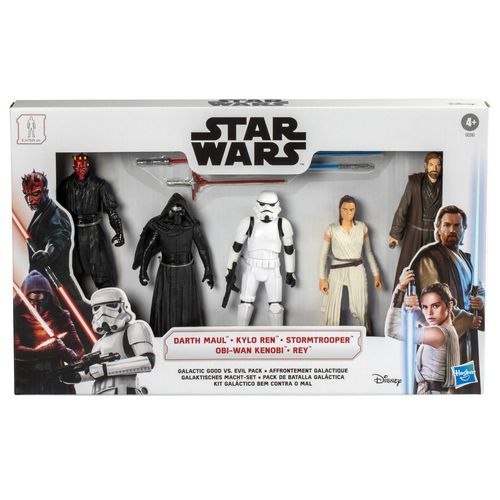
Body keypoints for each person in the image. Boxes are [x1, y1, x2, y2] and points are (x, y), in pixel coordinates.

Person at [410, 205, 484, 393]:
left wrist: (481, 301)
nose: (452, 230)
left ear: (464, 229)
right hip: (440, 342)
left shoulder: (466, 259)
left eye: (457, 225)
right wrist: (468, 319)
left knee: (463, 389)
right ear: (438, 227)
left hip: (465, 341)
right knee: (441, 391)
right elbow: (433, 301)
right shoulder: (429, 257)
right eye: (447, 225)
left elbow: (480, 289)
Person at [133, 193, 214, 337]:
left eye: (180, 210)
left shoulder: (192, 226)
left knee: (186, 305)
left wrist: (208, 269)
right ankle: (164, 338)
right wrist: (143, 270)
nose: (177, 213)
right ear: (168, 210)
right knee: (166, 306)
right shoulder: (160, 227)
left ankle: (187, 340)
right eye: (174, 209)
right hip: (166, 272)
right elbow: (148, 249)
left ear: (185, 211)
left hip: (186, 271)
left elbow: (202, 248)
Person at [385, 269, 471, 394]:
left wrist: (400, 289)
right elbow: (426, 319)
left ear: (450, 305)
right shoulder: (450, 329)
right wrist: (409, 306)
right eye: (425, 307)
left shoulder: (436, 334)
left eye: (435, 306)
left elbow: (392, 330)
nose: (429, 312)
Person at [60, 288, 155, 395]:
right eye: (97, 308)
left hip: (124, 391)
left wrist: (105, 369)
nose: (103, 312)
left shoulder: (134, 328)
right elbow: (94, 372)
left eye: (111, 305)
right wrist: (78, 377)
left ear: (124, 306)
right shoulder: (99, 343)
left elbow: (148, 361)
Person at [224, 191, 296, 326]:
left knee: (275, 306)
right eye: (263, 204)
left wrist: (290, 272)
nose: (266, 208)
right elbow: (236, 248)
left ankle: (278, 336)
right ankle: (240, 335)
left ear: (277, 205)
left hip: (273, 268)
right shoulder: (248, 222)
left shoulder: (282, 224)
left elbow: (289, 250)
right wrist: (229, 270)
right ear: (258, 204)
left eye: (270, 205)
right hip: (252, 268)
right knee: (245, 304)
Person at [57, 154, 124, 290]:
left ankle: (107, 298)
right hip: (73, 232)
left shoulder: (99, 185)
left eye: (84, 165)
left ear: (88, 166)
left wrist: (119, 232)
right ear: (74, 167)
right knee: (71, 271)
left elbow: (112, 212)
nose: (81, 169)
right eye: (78, 166)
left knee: (101, 269)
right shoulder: (65, 185)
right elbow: (57, 212)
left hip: (93, 231)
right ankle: (75, 301)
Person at [14, 270, 84, 394]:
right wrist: (48, 350)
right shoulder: (16, 318)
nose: (36, 308)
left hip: (57, 381)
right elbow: (15, 350)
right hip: (27, 382)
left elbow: (78, 351)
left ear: (48, 299)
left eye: (40, 302)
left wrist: (66, 351)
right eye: (31, 302)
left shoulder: (61, 317)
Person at [319, 195, 382, 331]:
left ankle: (366, 337)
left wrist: (376, 275)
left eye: (351, 209)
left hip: (356, 268)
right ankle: (331, 338)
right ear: (340, 209)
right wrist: (322, 278)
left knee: (361, 308)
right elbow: (323, 255)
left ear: (355, 211)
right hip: (337, 268)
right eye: (345, 209)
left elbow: (369, 252)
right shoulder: (332, 228)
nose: (348, 212)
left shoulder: (362, 228)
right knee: (331, 310)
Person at [389, 152, 442, 289]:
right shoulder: (415, 183)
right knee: (409, 269)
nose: (434, 168)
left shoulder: (445, 184)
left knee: (434, 272)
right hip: (415, 233)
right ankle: (403, 300)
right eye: (431, 164)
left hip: (435, 235)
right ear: (426, 166)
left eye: (438, 165)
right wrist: (395, 234)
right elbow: (403, 208)